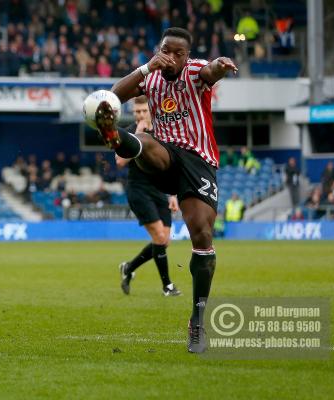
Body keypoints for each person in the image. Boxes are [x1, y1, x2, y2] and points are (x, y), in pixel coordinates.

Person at [92, 27, 238, 353]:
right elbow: (114, 95)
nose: (170, 58)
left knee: (201, 235)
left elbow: (211, 69)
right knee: (144, 142)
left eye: (177, 53)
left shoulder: (196, 71)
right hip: (165, 156)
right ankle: (115, 137)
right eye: (165, 50)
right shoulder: (152, 76)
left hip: (198, 161)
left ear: (187, 56)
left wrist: (221, 65)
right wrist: (146, 67)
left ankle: (197, 320)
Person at [115, 95, 181, 297]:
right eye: (137, 112)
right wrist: (137, 134)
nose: (140, 115)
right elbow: (119, 161)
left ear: (151, 110)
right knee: (159, 237)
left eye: (144, 111)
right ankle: (167, 286)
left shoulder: (162, 132)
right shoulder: (128, 132)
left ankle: (129, 267)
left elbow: (171, 166)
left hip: (160, 190)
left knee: (164, 241)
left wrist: (173, 194)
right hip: (138, 190)